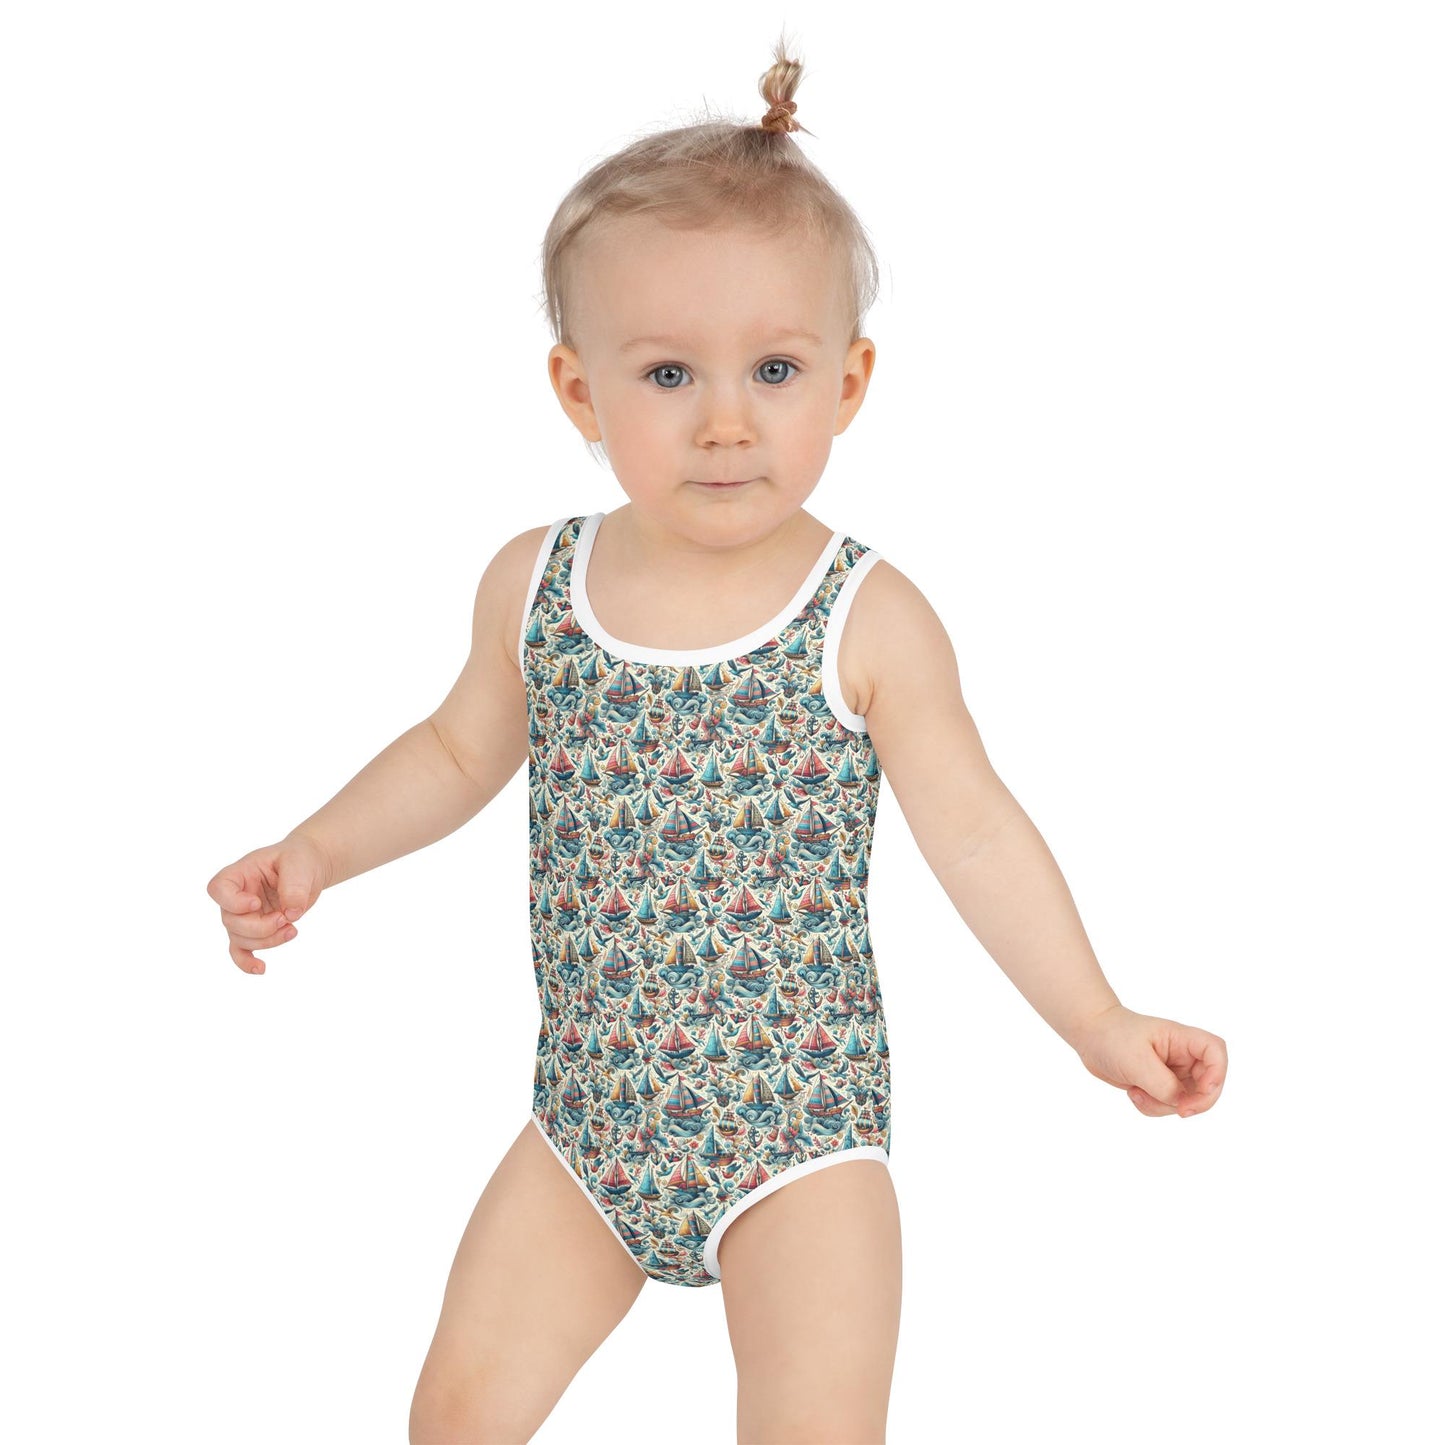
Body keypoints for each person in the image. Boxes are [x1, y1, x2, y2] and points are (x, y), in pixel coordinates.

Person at [207, 31, 1228, 1445]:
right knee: (454, 1414)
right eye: (670, 375)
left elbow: (977, 831)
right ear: (580, 390)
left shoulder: (867, 617)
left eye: (776, 369)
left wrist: (1095, 1018)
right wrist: (316, 849)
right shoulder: (537, 586)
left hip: (798, 1135)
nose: (727, 423)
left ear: (849, 383)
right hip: (586, 1129)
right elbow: (451, 753)